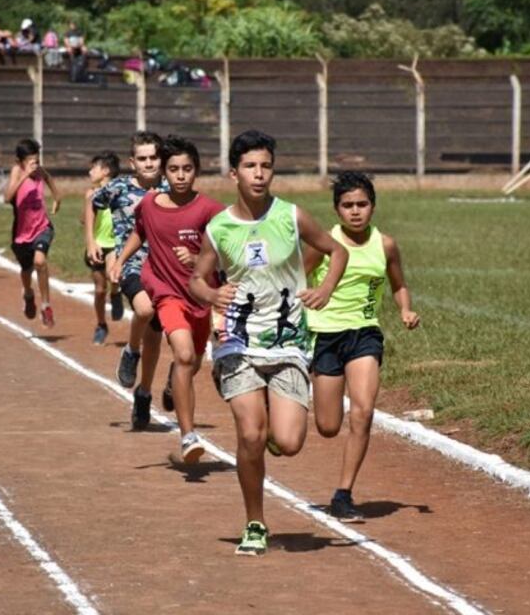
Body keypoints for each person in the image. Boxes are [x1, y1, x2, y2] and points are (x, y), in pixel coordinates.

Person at [190, 130, 347, 556]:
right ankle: (255, 522)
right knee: (250, 434)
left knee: (290, 442)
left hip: (287, 343)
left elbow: (336, 251)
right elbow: (196, 279)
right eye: (250, 166)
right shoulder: (219, 227)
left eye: (265, 166)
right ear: (233, 172)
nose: (259, 174)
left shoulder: (291, 217)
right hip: (237, 344)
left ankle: (275, 433)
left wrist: (326, 289)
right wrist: (210, 295)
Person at [304, 171, 420, 521]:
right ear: (337, 210)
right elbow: (296, 276)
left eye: (362, 204)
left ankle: (343, 494)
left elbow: (398, 283)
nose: (356, 211)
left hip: (364, 333)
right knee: (327, 426)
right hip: (324, 335)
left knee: (363, 411)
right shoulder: (323, 242)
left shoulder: (385, 245)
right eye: (348, 205)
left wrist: (405, 308)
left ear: (373, 206)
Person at [110, 136, 224, 462]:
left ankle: (175, 385)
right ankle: (188, 436)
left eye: (187, 169)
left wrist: (199, 260)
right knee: (185, 355)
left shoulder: (210, 210)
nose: (181, 175)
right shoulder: (150, 203)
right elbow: (140, 232)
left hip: (199, 298)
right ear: (164, 170)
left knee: (191, 362)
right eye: (173, 169)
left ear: (197, 171)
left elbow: (228, 250)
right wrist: (120, 260)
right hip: (166, 293)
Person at [89, 131, 169, 430]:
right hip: (130, 265)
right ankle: (130, 350)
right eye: (143, 158)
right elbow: (91, 202)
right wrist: (91, 242)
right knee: (145, 311)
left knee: (156, 335)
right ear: (132, 162)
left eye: (154, 158)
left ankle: (144, 392)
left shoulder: (169, 188)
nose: (149, 163)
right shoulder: (119, 188)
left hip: (163, 269)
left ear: (161, 160)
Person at [5, 138, 61, 327]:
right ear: (20, 161)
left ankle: (46, 305)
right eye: (30, 160)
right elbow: (7, 198)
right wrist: (23, 176)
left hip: (42, 227)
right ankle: (28, 294)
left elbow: (48, 178)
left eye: (36, 159)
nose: (34, 164)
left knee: (40, 261)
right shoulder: (17, 172)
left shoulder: (39, 171)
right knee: (26, 269)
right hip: (21, 232)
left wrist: (57, 197)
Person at [82, 150, 125, 345]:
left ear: (105, 171)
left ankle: (115, 292)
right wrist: (91, 243)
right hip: (97, 244)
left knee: (112, 275)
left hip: (114, 244)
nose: (90, 171)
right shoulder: (91, 194)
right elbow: (86, 222)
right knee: (99, 290)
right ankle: (101, 324)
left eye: (94, 168)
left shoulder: (120, 191)